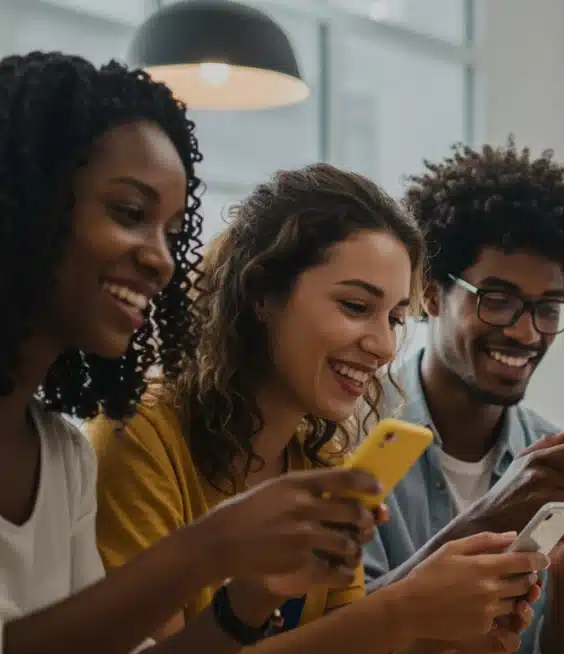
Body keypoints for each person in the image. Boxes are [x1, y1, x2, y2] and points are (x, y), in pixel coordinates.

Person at [0, 52, 387, 654]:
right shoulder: (135, 436)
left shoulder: (62, 456)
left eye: (174, 234)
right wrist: (211, 547)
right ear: (23, 200)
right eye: (130, 214)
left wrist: (248, 601)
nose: (160, 258)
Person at [88, 163, 550, 653]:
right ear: (263, 292)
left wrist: (448, 639)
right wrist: (404, 611)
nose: (383, 345)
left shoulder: (321, 461)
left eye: (395, 318)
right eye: (355, 307)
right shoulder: (139, 437)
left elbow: (343, 642)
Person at [364, 140, 564, 654]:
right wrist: (490, 517)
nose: (526, 334)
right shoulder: (354, 442)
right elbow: (338, 632)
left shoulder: (556, 460)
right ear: (432, 293)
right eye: (497, 301)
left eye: (547, 308)